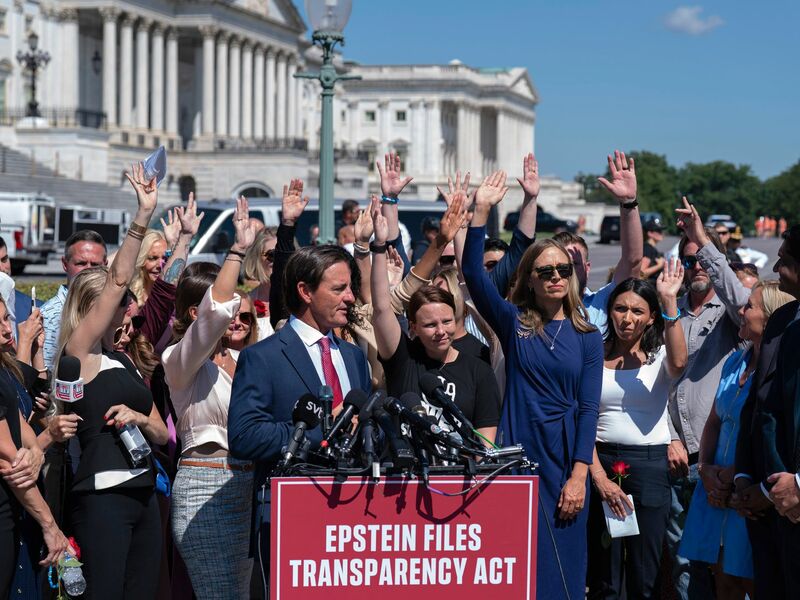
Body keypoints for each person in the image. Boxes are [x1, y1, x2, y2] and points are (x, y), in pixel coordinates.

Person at [462, 169, 603, 600]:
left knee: (566, 566)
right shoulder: (514, 323)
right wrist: (480, 211)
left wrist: (579, 476)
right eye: (546, 271)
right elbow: (473, 275)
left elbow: (589, 409)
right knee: (520, 564)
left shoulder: (588, 336)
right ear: (530, 279)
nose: (556, 276)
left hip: (566, 459)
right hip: (520, 453)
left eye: (563, 269)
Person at [228, 237, 371, 593]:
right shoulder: (263, 357)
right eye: (338, 289)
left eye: (350, 288)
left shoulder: (353, 357)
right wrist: (324, 429)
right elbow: (244, 436)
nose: (350, 297)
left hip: (353, 520)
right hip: (290, 517)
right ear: (305, 291)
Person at [55, 163, 169, 599]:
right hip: (102, 495)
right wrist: (143, 215)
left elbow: (161, 432)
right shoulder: (78, 353)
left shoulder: (123, 358)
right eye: (118, 303)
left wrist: (137, 417)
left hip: (144, 491)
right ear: (95, 309)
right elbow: (120, 278)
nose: (127, 309)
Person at [163, 197, 260, 600]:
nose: (235, 315)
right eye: (230, 305)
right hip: (204, 484)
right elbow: (215, 312)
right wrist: (236, 251)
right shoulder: (179, 360)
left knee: (240, 593)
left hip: (249, 484)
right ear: (193, 313)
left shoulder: (245, 359)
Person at [680, 280, 793, 599]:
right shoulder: (736, 361)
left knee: (753, 581)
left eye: (750, 307)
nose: (741, 312)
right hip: (716, 490)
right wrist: (705, 469)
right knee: (723, 582)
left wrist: (733, 476)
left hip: (749, 493)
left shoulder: (780, 370)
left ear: (770, 318)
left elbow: (773, 435)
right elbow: (714, 421)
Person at [663, 197, 751, 600]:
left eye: (703, 259)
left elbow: (740, 298)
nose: (696, 266)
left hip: (715, 462)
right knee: (681, 558)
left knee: (724, 564)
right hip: (672, 454)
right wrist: (670, 436)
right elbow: (655, 382)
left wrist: (703, 240)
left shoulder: (733, 314)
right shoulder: (668, 309)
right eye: (689, 259)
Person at [587, 265, 687, 600]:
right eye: (620, 308)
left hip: (648, 465)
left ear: (650, 317)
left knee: (645, 572)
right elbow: (583, 418)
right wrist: (598, 476)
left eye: (637, 311)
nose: (627, 318)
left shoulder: (660, 355)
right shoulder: (592, 354)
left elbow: (680, 364)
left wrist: (669, 301)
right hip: (601, 461)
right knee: (606, 572)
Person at [370, 193, 500, 442]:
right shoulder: (404, 359)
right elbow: (382, 309)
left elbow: (486, 444)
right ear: (414, 327)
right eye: (430, 325)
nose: (441, 331)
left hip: (459, 467)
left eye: (447, 321)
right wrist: (378, 246)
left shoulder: (479, 370)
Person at [732, 225, 800, 598]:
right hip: (772, 509)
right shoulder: (785, 321)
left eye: (784, 259)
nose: (775, 266)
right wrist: (750, 480)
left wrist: (797, 484)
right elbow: (762, 409)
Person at [0, 296, 73, 598]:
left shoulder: (3, 370)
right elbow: (10, 460)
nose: (8, 329)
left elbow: (25, 432)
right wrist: (50, 526)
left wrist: (38, 449)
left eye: (6, 318)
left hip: (18, 510)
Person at [554, 151, 643, 332]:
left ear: (587, 268)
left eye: (574, 264)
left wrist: (628, 203)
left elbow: (632, 260)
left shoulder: (602, 303)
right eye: (561, 265)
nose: (568, 271)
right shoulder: (536, 309)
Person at [41, 230, 108, 370]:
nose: (88, 270)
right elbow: (46, 373)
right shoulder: (50, 316)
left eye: (95, 265)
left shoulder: (113, 308)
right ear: (65, 264)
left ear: (105, 264)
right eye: (81, 263)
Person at [243, 228, 278, 341]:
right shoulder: (246, 302)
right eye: (272, 254)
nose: (278, 260)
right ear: (257, 258)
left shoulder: (303, 300)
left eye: (283, 254)